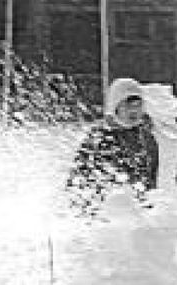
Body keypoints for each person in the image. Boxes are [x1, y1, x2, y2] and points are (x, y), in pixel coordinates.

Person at [66, 77, 160, 215]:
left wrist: (147, 206)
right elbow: (79, 175)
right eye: (127, 105)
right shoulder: (99, 137)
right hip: (102, 209)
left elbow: (150, 178)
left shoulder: (147, 139)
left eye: (138, 105)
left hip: (135, 211)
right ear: (115, 106)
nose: (133, 111)